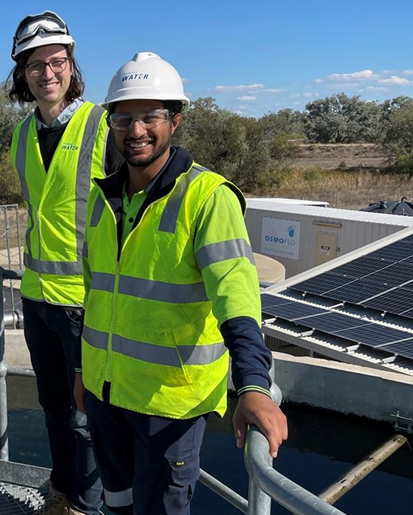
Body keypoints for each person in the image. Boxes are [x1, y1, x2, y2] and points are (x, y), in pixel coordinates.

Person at [78, 52, 289, 515]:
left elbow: (237, 295)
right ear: (111, 123)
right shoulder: (101, 199)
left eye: (150, 117)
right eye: (124, 118)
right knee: (115, 504)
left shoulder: (207, 198)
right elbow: (93, 295)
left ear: (175, 120)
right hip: (105, 394)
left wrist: (253, 383)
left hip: (169, 407)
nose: (136, 131)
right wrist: (82, 373)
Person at [7, 10, 123, 515]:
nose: (46, 73)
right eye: (35, 65)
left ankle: (89, 507)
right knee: (54, 410)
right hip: (36, 300)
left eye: (56, 62)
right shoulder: (20, 137)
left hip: (87, 304)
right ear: (23, 74)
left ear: (72, 66)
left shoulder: (104, 125)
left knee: (87, 418)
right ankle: (62, 496)